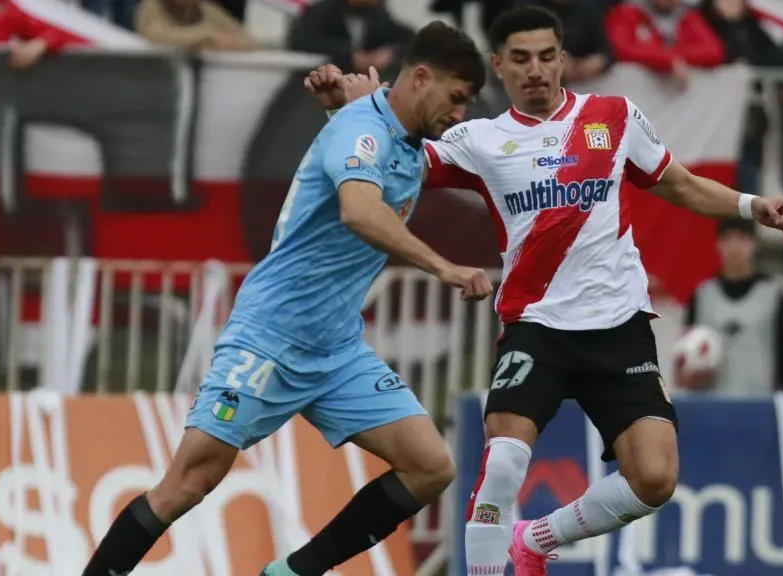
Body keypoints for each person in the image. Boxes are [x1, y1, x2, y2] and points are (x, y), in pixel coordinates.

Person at [306, 7, 783, 576]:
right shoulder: (478, 139)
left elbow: (679, 184)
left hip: (619, 328)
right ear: (499, 67)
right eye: (520, 59)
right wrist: (354, 111)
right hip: (537, 327)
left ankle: (537, 538)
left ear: (563, 59)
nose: (535, 70)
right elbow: (396, 155)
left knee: (656, 480)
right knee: (504, 466)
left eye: (545, 56)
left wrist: (749, 205)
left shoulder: (612, 117)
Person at [79, 21, 489, 576]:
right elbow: (359, 209)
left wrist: (356, 106)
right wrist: (442, 266)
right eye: (457, 97)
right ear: (421, 78)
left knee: (430, 466)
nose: (460, 113)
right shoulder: (359, 129)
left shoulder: (396, 138)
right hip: (269, 338)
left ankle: (292, 572)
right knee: (188, 483)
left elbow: (370, 144)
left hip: (337, 351)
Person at [680, 218, 783, 396]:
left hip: (759, 404)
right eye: (727, 239)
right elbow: (686, 356)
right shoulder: (702, 296)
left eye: (742, 238)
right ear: (717, 244)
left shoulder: (772, 295)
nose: (734, 247)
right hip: (711, 405)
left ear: (754, 243)